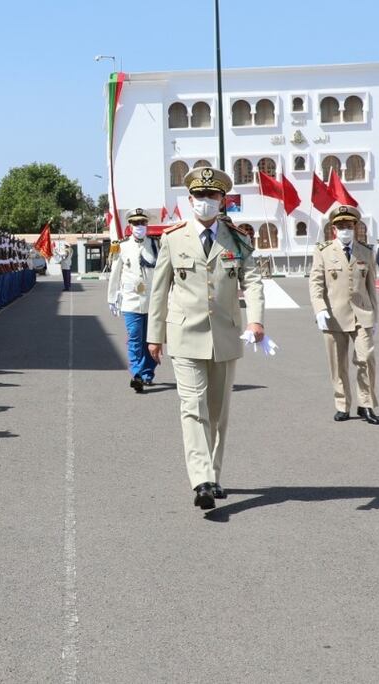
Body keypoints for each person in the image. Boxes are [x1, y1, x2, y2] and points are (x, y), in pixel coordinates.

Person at [146, 167, 266, 511]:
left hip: (225, 335)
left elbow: (253, 280)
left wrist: (256, 320)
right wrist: (154, 337)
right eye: (199, 196)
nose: (205, 202)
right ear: (190, 200)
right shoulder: (172, 238)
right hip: (184, 333)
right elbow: (159, 291)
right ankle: (200, 480)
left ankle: (213, 475)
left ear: (222, 200)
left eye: (212, 196)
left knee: (217, 413)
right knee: (192, 407)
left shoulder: (237, 239)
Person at [309, 205, 379, 426]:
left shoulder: (366, 252)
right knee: (338, 364)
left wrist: (374, 316)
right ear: (334, 229)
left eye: (348, 226)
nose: (345, 230)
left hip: (362, 314)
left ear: (355, 228)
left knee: (366, 359)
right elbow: (316, 283)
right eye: (340, 226)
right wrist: (320, 308)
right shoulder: (323, 251)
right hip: (333, 315)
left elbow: (371, 287)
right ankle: (342, 404)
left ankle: (366, 404)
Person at [107, 209, 159, 393]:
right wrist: (112, 298)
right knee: (135, 338)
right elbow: (115, 273)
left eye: (142, 223)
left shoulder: (155, 245)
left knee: (151, 339)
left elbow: (162, 273)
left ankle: (147, 373)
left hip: (152, 301)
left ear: (147, 225)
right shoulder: (121, 246)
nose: (139, 227)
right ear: (130, 226)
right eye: (136, 223)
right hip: (131, 301)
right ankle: (136, 374)